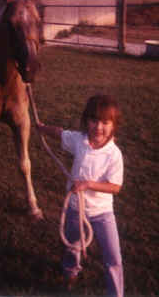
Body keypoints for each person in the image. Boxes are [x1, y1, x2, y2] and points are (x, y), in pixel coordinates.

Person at [37, 94, 124, 297]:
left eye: (105, 122)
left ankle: (116, 293)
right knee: (72, 245)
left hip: (103, 213)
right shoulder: (79, 140)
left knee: (114, 258)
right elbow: (60, 133)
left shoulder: (114, 154)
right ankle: (70, 272)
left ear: (113, 125)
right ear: (86, 121)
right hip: (76, 208)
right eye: (94, 120)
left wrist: (88, 184)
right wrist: (43, 128)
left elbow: (115, 187)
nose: (98, 127)